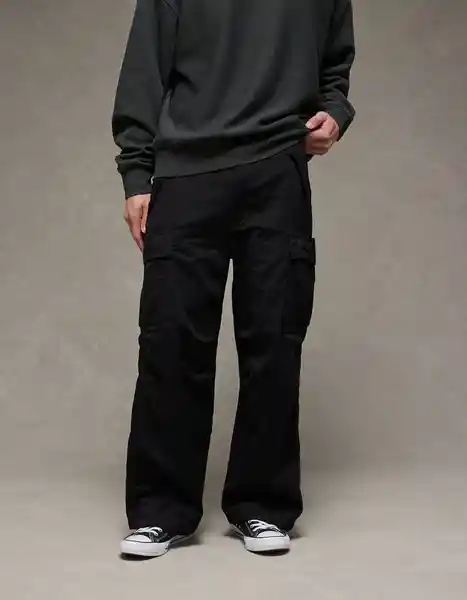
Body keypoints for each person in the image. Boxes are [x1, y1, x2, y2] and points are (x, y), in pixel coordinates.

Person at [112, 0, 355, 558]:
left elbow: (334, 66)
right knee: (171, 342)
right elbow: (145, 66)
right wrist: (136, 172)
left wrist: (335, 113)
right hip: (185, 174)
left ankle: (263, 505)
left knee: (274, 340)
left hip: (277, 171)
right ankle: (161, 509)